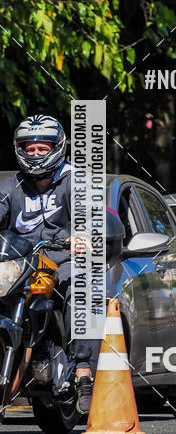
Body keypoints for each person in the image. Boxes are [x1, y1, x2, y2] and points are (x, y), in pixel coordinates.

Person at [0, 115, 94, 413]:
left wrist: (83, 237)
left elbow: (91, 217)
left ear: (58, 147)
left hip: (63, 260)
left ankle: (83, 371)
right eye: (31, 149)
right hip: (20, 262)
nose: (36, 154)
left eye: (43, 148)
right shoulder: (9, 186)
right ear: (20, 150)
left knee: (80, 284)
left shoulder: (76, 182)